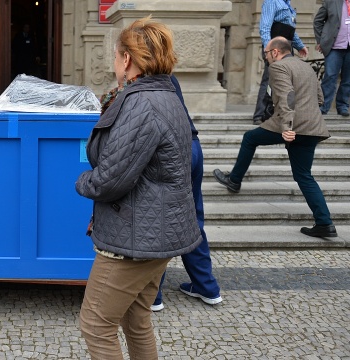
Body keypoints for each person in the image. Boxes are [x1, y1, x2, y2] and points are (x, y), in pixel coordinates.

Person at [75, 16, 202, 360]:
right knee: (136, 318)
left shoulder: (141, 103)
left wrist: (82, 182)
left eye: (115, 56)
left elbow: (110, 179)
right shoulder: (166, 95)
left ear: (127, 60)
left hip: (135, 237)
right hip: (157, 231)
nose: (114, 63)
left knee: (96, 324)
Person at [214, 36, 337, 238]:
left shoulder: (278, 68)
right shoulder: (305, 66)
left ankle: (234, 180)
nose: (266, 58)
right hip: (312, 127)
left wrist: (288, 127)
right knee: (304, 176)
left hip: (292, 126)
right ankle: (325, 223)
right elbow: (320, 98)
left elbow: (287, 97)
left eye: (266, 54)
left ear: (276, 52)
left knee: (250, 138)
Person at [151, 75, 222, 312]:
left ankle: (153, 295)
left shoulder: (144, 79)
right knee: (192, 219)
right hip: (192, 145)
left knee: (156, 219)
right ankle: (207, 287)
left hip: (170, 150)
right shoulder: (169, 77)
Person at [253, 0, 308, 125]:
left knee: (286, 82)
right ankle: (260, 114)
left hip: (287, 48)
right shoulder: (272, 1)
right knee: (269, 80)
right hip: (275, 49)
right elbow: (265, 27)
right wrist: (269, 50)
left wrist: (300, 46)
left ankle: (278, 113)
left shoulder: (287, 4)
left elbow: (290, 29)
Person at [314, 0, 350, 116]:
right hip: (334, 47)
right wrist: (321, 40)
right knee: (330, 77)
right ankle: (323, 106)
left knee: (348, 80)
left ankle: (343, 106)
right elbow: (318, 21)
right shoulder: (331, 2)